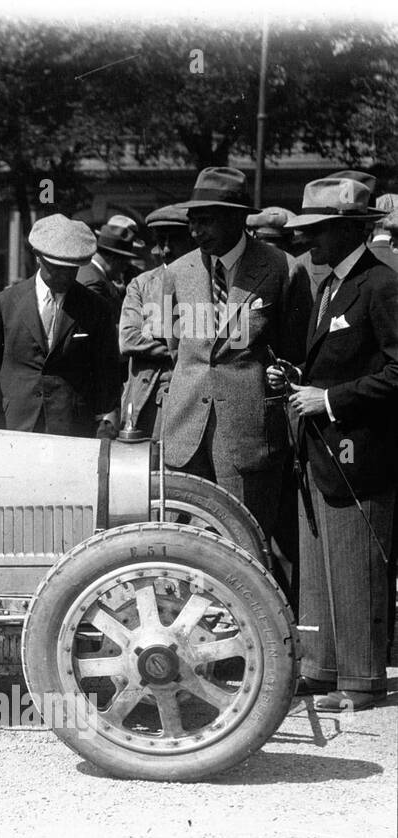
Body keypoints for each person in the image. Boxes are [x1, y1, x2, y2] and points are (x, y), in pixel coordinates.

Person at [269, 177, 397, 712]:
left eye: (318, 231)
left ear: (348, 230)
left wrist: (331, 399)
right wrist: (298, 379)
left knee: (357, 565)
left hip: (359, 452)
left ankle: (362, 679)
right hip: (323, 451)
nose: (308, 242)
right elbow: (339, 360)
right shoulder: (330, 286)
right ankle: (323, 669)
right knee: (321, 569)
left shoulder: (382, 286)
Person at [160, 166, 312, 541]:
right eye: (192, 221)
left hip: (248, 437)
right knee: (180, 543)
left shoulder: (282, 269)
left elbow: (295, 350)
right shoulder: (177, 273)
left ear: (237, 218)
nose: (196, 232)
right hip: (184, 433)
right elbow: (172, 346)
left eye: (206, 221)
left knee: (245, 541)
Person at [0, 214, 120, 438]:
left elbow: (107, 373)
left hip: (71, 428)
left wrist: (104, 423)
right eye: (56, 267)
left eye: (72, 268)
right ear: (38, 257)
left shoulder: (97, 308)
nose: (65, 275)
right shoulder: (4, 303)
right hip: (11, 426)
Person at [117, 204, 196, 439]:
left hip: (190, 394)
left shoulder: (209, 282)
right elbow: (129, 339)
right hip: (147, 396)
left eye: (175, 240)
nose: (167, 249)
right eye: (161, 241)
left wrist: (155, 332)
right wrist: (183, 345)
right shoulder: (141, 284)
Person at [77, 215, 144, 317]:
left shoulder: (89, 272)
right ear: (113, 258)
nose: (125, 268)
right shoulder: (94, 283)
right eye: (124, 262)